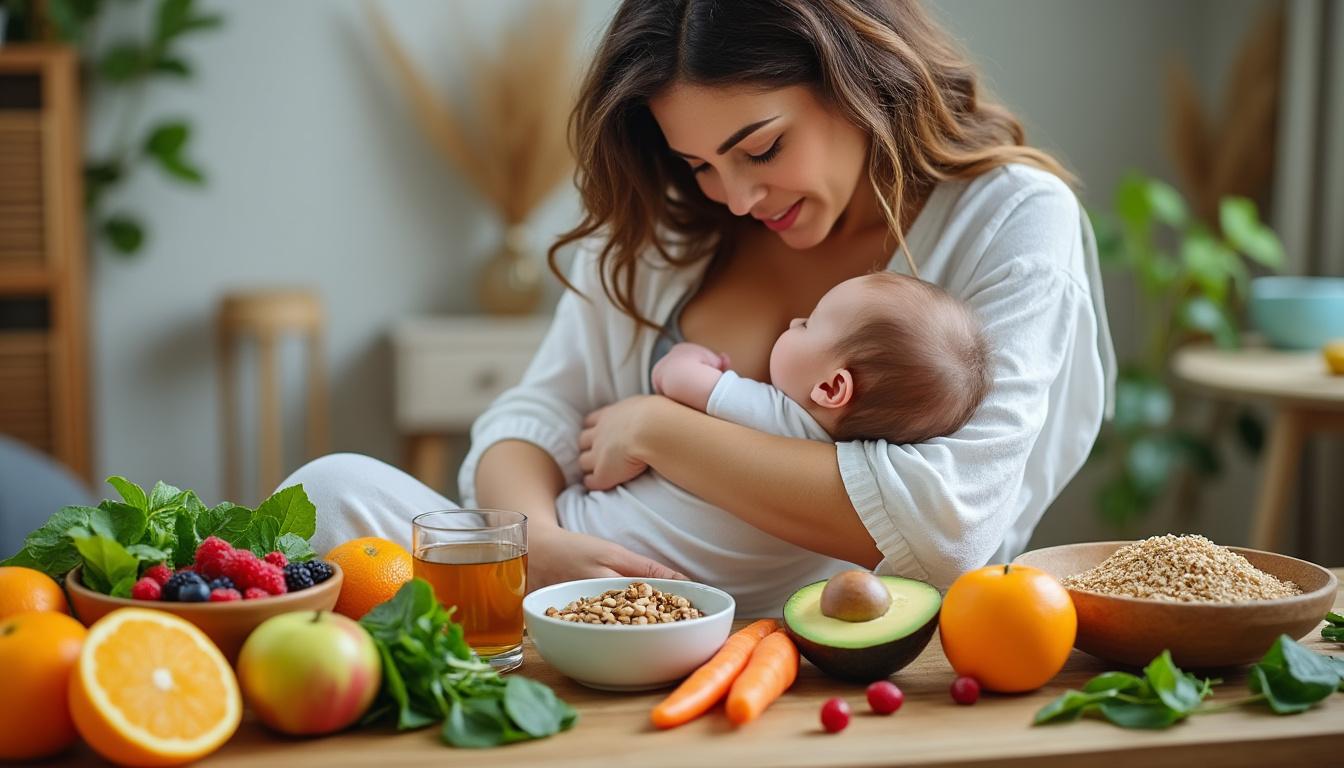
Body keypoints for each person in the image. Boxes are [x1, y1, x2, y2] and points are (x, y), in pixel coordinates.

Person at [287, 0, 1115, 604]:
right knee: (330, 491)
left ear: (860, 77)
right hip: (584, 592)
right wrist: (541, 549)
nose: (737, 194)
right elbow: (532, 420)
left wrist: (659, 428)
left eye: (762, 147)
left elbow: (946, 521)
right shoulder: (673, 229)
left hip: (822, 644)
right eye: (699, 164)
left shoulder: (1007, 216)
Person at [554, 270, 992, 615]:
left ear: (831, 389)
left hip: (586, 533)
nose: (792, 321)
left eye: (809, 324)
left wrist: (693, 357)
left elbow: (673, 377)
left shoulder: (770, 412)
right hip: (689, 604)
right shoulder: (847, 478)